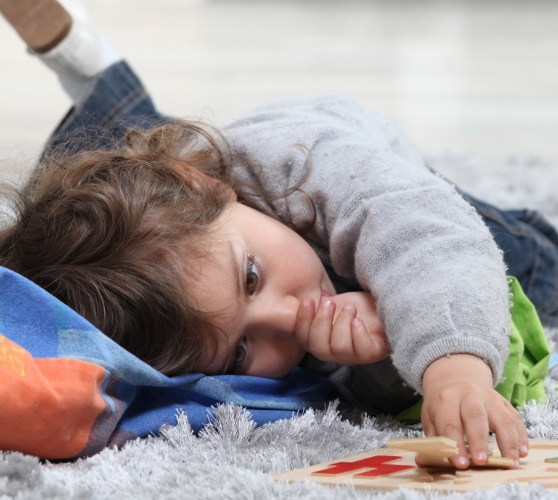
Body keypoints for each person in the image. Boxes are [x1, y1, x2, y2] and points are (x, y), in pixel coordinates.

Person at [2, 0, 556, 468]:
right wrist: (373, 361)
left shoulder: (308, 165)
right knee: (85, 199)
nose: (289, 318)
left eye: (251, 277)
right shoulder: (192, 229)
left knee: (528, 266)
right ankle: (94, 70)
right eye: (241, 352)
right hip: (198, 195)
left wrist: (455, 372)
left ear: (207, 185)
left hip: (377, 182)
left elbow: (432, 241)